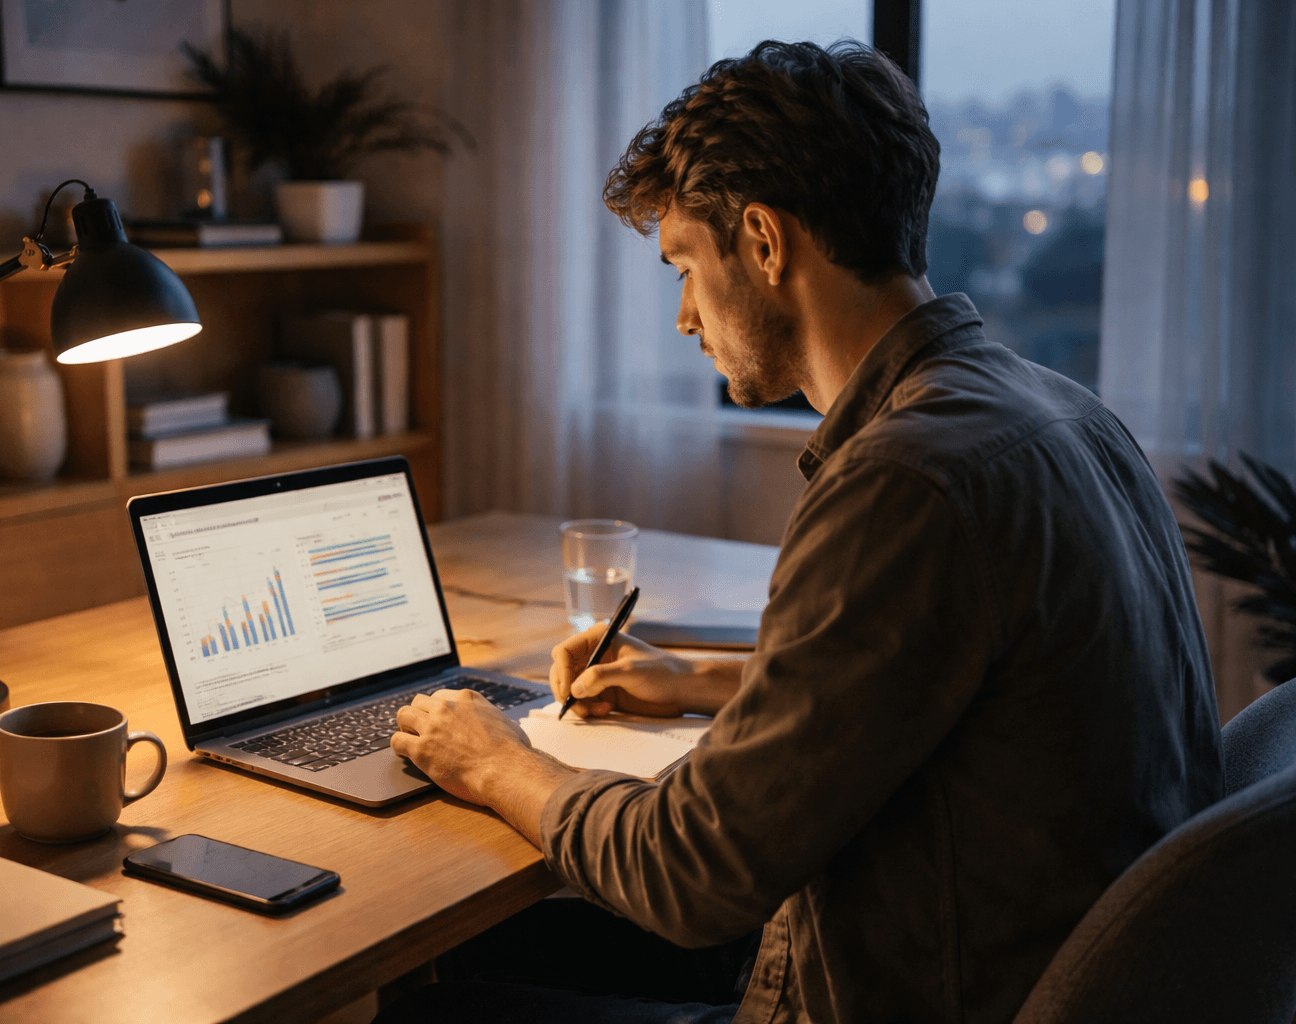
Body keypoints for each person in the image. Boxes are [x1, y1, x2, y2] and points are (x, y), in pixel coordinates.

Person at [379, 40, 1222, 1024]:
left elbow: (693, 872)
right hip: (1023, 965)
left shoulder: (904, 482)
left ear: (766, 244)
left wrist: (497, 760)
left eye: (685, 266)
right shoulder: (1065, 415)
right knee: (500, 945)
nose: (685, 316)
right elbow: (974, 687)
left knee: (429, 1002)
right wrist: (707, 682)